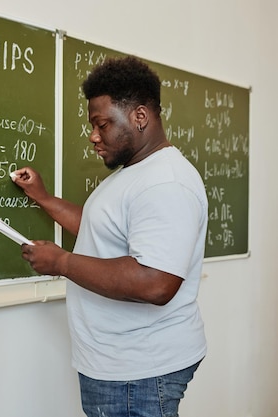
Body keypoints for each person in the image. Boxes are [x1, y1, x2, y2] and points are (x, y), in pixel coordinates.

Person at [12, 56, 207, 417]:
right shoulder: (135, 172)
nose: (93, 135)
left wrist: (63, 262)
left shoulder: (165, 183)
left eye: (102, 124)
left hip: (140, 373)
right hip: (121, 367)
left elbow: (157, 282)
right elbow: (101, 229)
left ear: (140, 117)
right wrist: (44, 198)